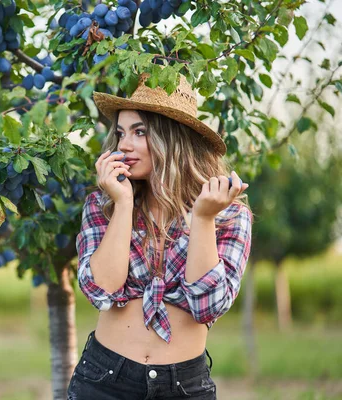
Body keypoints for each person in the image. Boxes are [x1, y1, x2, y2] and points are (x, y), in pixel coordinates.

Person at [67, 71, 254, 400]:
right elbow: (101, 291)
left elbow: (207, 305)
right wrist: (123, 202)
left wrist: (203, 218)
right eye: (122, 132)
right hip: (104, 380)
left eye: (140, 132)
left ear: (173, 139)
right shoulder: (104, 204)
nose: (124, 145)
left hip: (184, 386)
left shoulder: (228, 214)